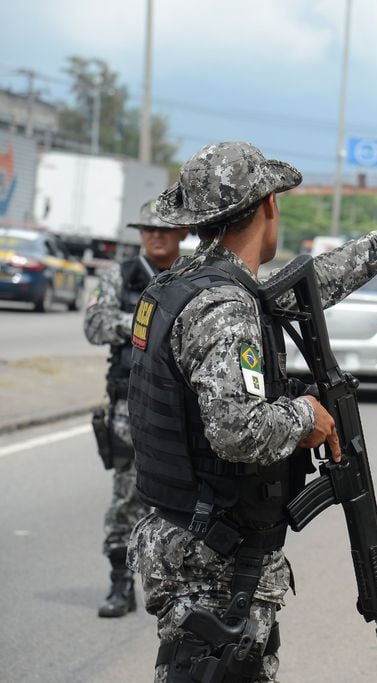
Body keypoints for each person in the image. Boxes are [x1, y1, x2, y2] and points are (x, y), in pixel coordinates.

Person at [125, 141, 377, 682]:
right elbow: (237, 431)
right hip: (214, 562)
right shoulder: (224, 307)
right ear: (268, 207)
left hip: (191, 539)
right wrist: (305, 416)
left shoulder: (188, 286)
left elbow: (311, 284)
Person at [83, 200, 191, 618]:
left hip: (184, 408)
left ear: (183, 233)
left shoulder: (194, 273)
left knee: (184, 497)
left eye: (164, 229)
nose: (155, 235)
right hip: (132, 407)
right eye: (147, 229)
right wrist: (153, 323)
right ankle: (120, 583)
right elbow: (95, 325)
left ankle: (177, 585)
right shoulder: (120, 275)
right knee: (128, 495)